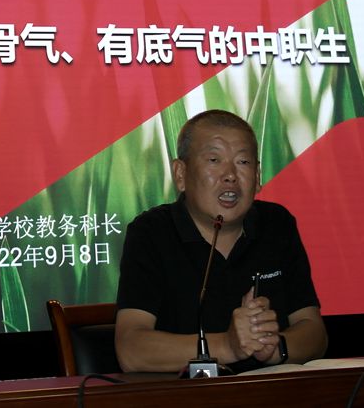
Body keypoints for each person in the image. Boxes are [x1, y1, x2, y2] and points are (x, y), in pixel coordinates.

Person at [114, 109, 327, 373]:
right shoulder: (151, 232)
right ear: (180, 174)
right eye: (214, 160)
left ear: (257, 177)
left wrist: (274, 348)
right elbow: (131, 350)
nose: (230, 175)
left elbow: (314, 332)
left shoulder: (276, 224)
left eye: (243, 162)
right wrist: (228, 346)